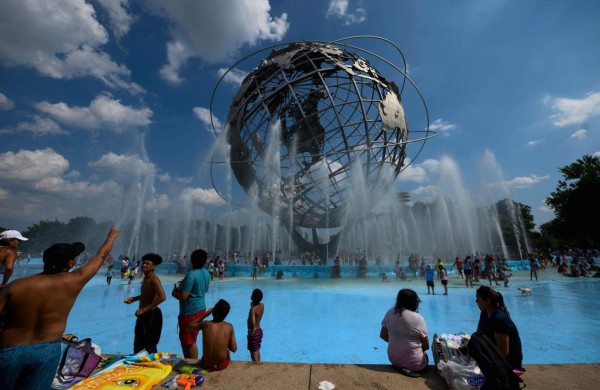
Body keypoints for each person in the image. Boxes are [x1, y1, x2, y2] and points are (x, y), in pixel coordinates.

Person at [0, 225, 121, 390]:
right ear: (70, 262)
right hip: (46, 349)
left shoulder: (14, 286)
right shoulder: (73, 281)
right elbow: (101, 255)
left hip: (9, 348)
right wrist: (111, 237)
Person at [380, 289, 429, 377]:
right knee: (426, 358)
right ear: (414, 302)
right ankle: (408, 368)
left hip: (393, 359)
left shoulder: (389, 312)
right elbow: (426, 346)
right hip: (415, 364)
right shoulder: (418, 318)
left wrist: (398, 343)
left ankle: (401, 367)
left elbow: (383, 335)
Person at [172, 249, 211, 358]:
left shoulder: (191, 275)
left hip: (190, 311)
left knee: (189, 340)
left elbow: (184, 297)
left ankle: (192, 365)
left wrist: (174, 293)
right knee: (188, 337)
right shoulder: (206, 273)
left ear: (192, 260)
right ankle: (188, 361)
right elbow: (205, 290)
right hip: (200, 308)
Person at [124, 253, 166, 354]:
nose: (144, 265)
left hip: (151, 314)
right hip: (144, 314)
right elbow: (146, 295)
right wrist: (134, 299)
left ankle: (151, 364)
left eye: (147, 264)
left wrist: (144, 309)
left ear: (154, 266)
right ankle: (140, 363)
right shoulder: (146, 279)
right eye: (143, 263)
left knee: (149, 343)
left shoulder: (154, 280)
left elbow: (162, 297)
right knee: (139, 341)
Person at [475, 286, 523, 370]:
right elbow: (478, 334)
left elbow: (503, 352)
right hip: (491, 356)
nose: (476, 301)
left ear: (487, 301)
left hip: (507, 365)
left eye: (478, 299)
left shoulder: (498, 320)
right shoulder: (484, 313)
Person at [188, 299, 237, 371]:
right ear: (225, 315)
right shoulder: (229, 327)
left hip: (205, 365)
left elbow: (189, 327)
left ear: (213, 312)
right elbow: (234, 349)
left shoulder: (205, 324)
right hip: (221, 365)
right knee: (226, 351)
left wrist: (205, 315)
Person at [247, 288, 264, 362]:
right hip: (259, 331)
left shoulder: (253, 309)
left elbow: (253, 323)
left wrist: (251, 331)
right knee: (257, 350)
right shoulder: (262, 305)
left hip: (254, 332)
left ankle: (257, 369)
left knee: (253, 353)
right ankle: (259, 365)